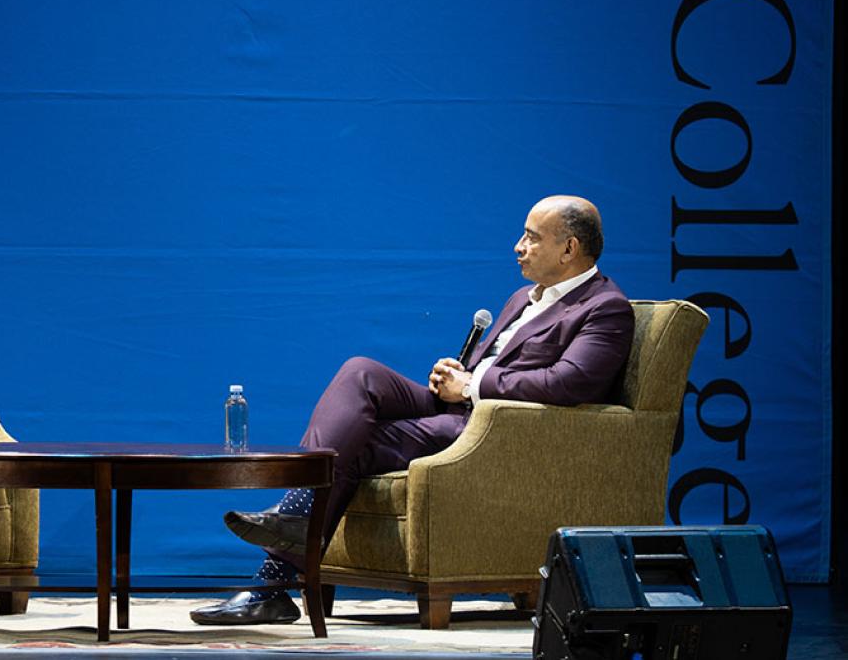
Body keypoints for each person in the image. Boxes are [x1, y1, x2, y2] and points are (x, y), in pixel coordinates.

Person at [191, 195, 635, 625]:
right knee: (360, 372)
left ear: (569, 248)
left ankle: (274, 575)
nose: (518, 246)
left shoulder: (604, 308)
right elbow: (493, 364)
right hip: (461, 405)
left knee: (359, 444)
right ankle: (292, 528)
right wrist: (455, 372)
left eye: (532, 237)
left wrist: (472, 385)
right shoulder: (523, 297)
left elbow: (568, 383)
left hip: (495, 427)